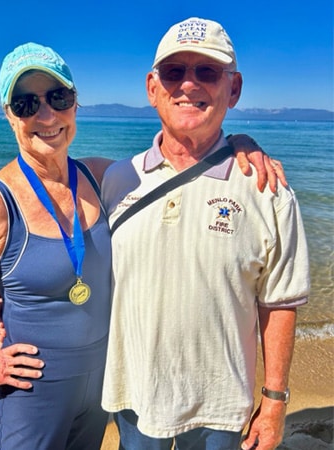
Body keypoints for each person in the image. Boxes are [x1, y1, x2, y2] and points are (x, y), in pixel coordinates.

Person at [0, 43, 284, 449]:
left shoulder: (103, 176)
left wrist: (239, 145)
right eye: (25, 103)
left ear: (75, 103)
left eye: (59, 97)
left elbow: (177, 161)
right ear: (8, 114)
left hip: (103, 390)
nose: (47, 115)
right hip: (35, 393)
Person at [99, 18, 308, 450]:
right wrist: (16, 297)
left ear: (233, 89)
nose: (188, 86)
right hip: (134, 395)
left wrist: (274, 403)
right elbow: (51, 206)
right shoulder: (117, 180)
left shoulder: (268, 190)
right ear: (152, 88)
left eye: (207, 72)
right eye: (174, 72)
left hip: (221, 404)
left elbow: (279, 302)